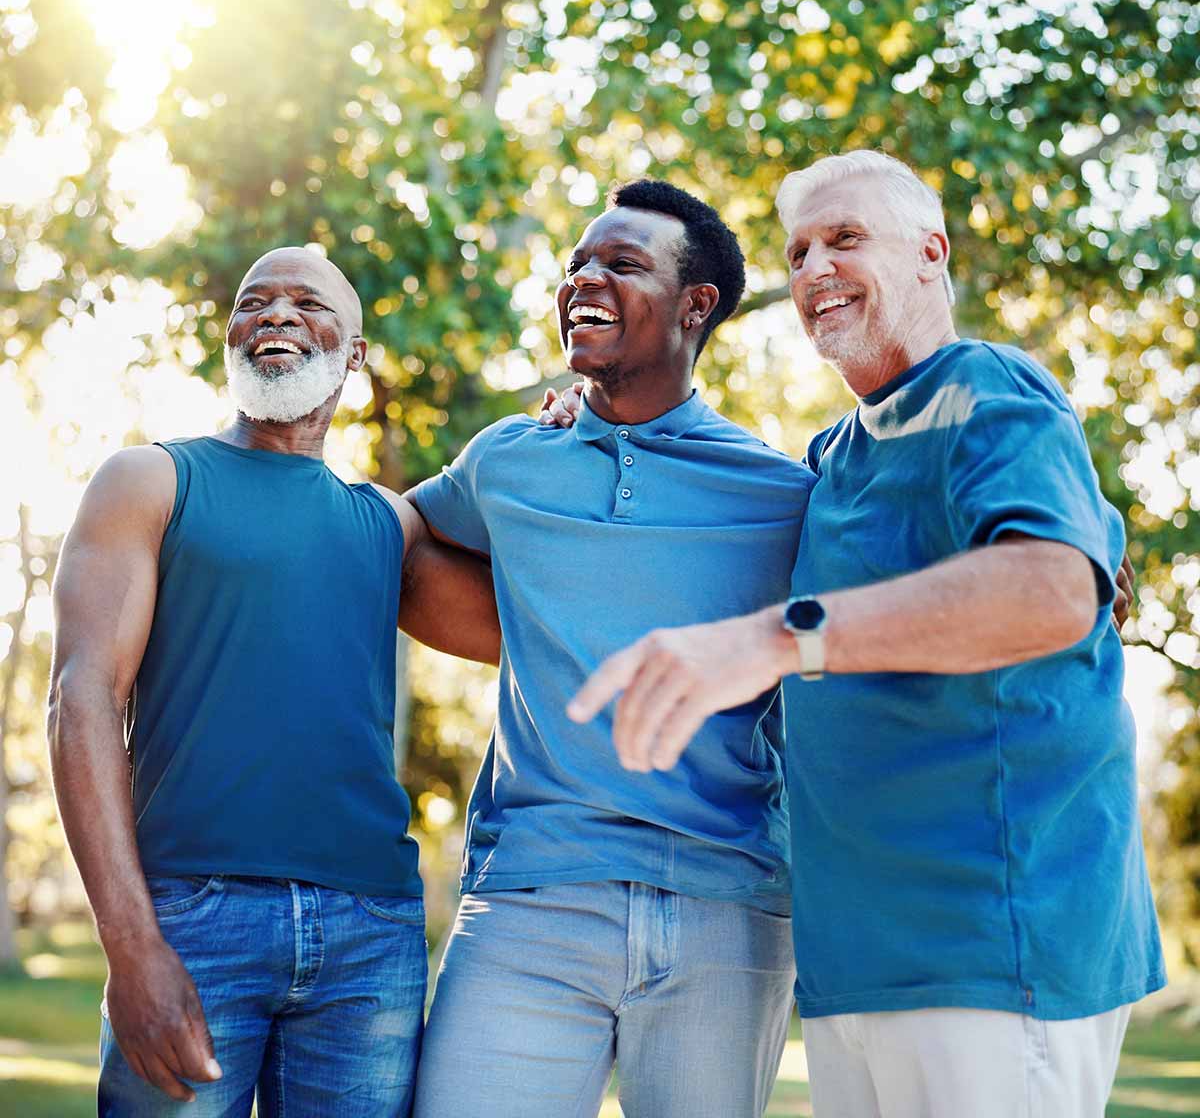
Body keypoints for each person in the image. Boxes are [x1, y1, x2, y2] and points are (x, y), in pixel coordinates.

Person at [569, 151, 1165, 1117]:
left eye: (845, 240)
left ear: (930, 254)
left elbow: (1054, 590)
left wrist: (779, 637)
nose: (813, 270)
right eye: (798, 251)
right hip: (857, 962)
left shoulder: (986, 388)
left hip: (990, 945)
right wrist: (583, 414)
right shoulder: (834, 457)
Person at [48, 246, 500, 1118]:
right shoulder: (150, 480)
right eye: (256, 301)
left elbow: (542, 628)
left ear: (356, 354)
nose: (279, 314)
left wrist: (575, 429)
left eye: (308, 302)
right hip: (191, 920)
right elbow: (81, 701)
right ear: (231, 339)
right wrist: (131, 945)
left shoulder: (387, 524)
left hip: (370, 936)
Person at [408, 180, 813, 1118]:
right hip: (532, 894)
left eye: (622, 264)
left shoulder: (780, 492)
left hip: (730, 905)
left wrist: (1093, 536)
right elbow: (385, 544)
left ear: (694, 305)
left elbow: (925, 552)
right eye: (577, 263)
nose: (584, 277)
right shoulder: (507, 458)